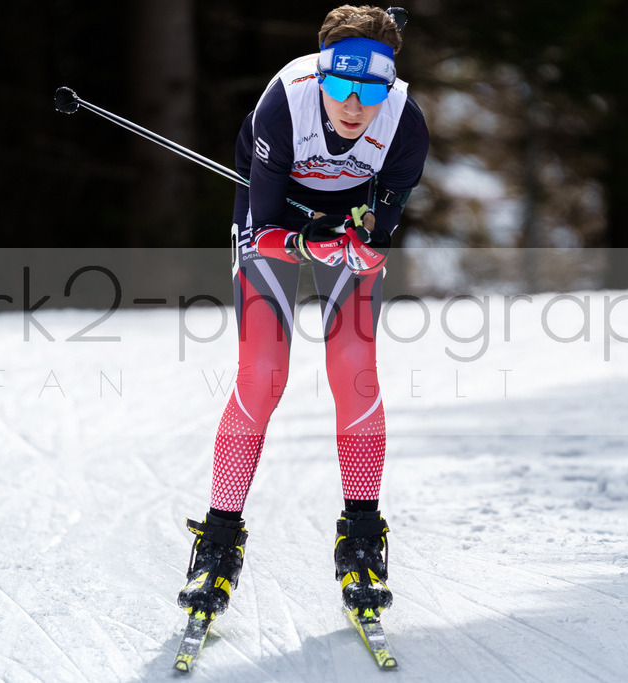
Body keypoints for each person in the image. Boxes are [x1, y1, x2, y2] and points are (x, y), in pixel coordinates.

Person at [177, 4, 429, 622]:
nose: (353, 105)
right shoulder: (284, 105)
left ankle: (361, 537)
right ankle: (219, 541)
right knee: (263, 372)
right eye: (340, 85)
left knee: (354, 367)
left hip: (346, 217)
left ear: (390, 86)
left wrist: (363, 242)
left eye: (371, 89)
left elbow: (379, 233)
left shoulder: (405, 126)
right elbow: (265, 229)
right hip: (275, 213)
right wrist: (305, 240)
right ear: (321, 74)